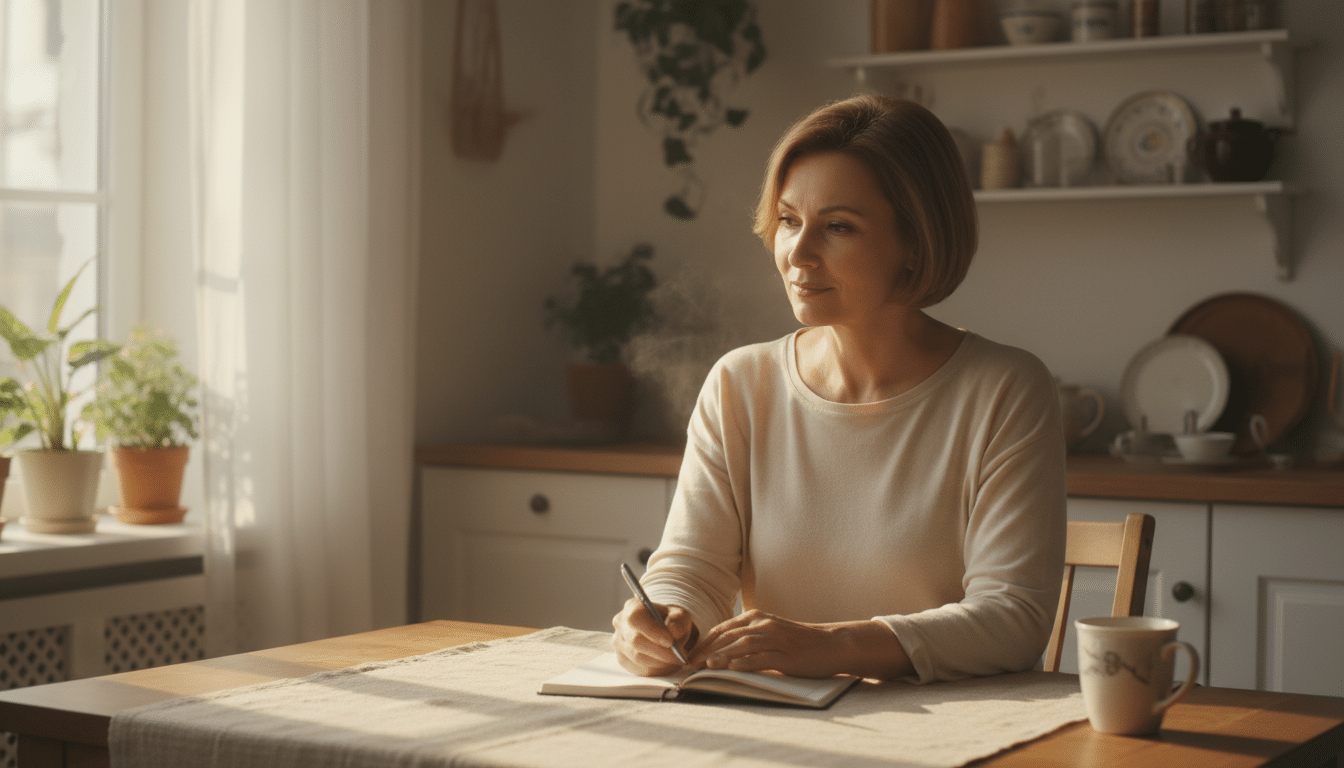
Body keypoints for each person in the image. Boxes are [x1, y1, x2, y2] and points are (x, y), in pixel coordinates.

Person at [612, 94, 1066, 684]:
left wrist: (835, 647)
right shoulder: (740, 384)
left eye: (838, 227)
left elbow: (1014, 618)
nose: (797, 253)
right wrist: (663, 620)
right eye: (789, 220)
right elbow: (692, 570)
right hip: (783, 732)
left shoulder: (1006, 391)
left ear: (916, 243)